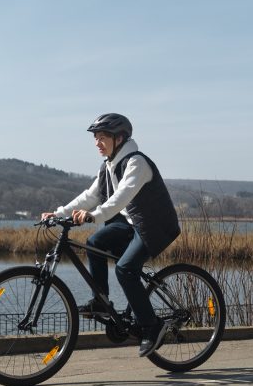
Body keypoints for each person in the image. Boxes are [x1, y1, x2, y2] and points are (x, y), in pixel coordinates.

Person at [41, 113, 181, 357]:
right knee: (95, 242)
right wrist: (58, 212)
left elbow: (122, 197)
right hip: (130, 224)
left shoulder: (137, 163)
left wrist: (95, 216)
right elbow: (90, 195)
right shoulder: (108, 166)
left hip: (153, 226)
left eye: (102, 137)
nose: (97, 143)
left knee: (125, 269)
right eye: (95, 138)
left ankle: (152, 326)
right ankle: (101, 301)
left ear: (120, 138)